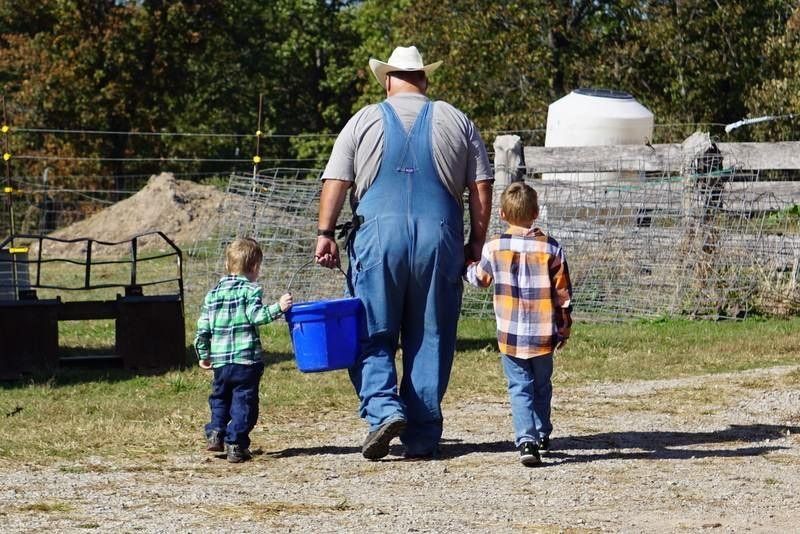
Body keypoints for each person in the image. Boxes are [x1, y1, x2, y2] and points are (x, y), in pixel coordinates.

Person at [315, 45, 494, 460]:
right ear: (424, 79)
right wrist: (477, 243)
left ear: (388, 79)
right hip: (440, 236)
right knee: (431, 334)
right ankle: (422, 434)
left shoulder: (363, 120)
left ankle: (383, 410)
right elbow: (481, 186)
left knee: (370, 329)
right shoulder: (457, 120)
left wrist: (325, 232)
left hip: (378, 237)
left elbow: (336, 180)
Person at [464, 182, 572, 466]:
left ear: (501, 214)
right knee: (542, 385)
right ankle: (543, 432)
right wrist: (564, 327)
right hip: (543, 332)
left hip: (510, 334)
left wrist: (466, 266)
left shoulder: (494, 247)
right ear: (536, 212)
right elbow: (563, 294)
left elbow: (479, 280)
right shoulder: (551, 247)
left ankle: (526, 440)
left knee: (519, 386)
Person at [195, 237, 293, 463]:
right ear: (255, 267)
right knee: (244, 403)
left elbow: (203, 327)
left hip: (220, 362)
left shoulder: (213, 294)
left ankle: (215, 432)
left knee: (220, 398)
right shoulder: (251, 291)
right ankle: (235, 443)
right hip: (245, 361)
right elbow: (257, 316)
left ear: (228, 265)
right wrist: (279, 307)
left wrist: (203, 353)